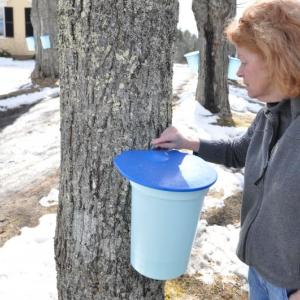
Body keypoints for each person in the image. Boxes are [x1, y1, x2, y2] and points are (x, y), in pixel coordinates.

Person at [152, 0, 300, 299]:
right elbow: (239, 152)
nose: (239, 73)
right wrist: (187, 143)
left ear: (276, 59)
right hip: (260, 272)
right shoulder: (271, 114)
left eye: (244, 62)